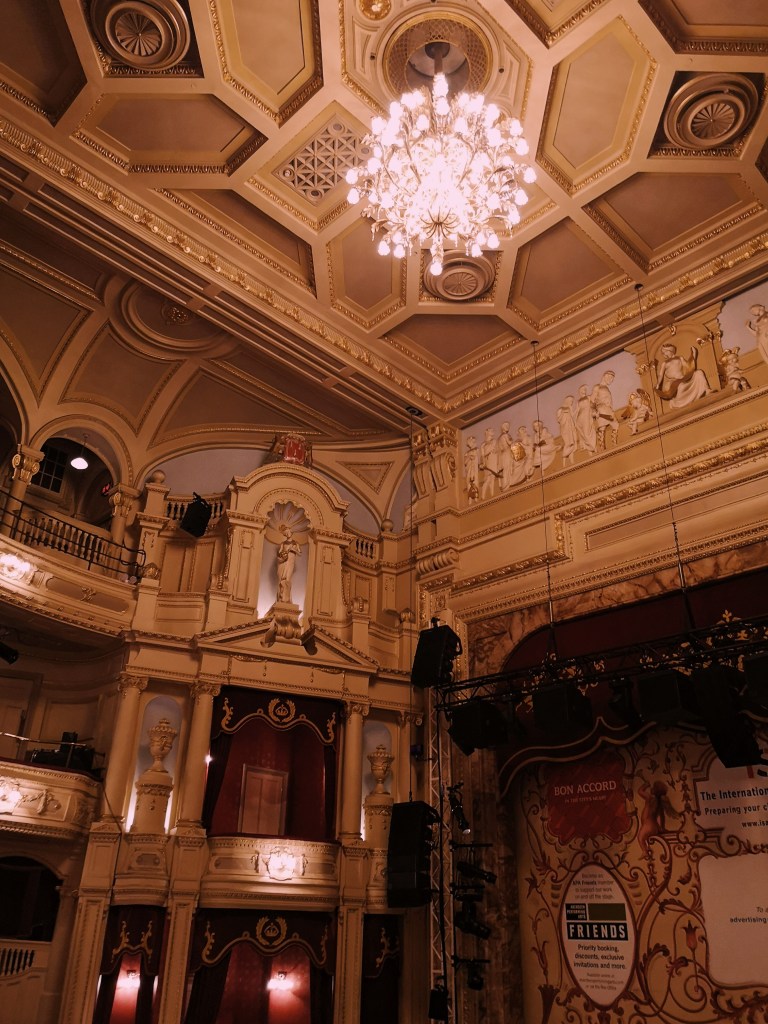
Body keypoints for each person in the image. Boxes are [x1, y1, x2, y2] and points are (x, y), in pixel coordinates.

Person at [654, 343, 710, 409]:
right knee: (681, 386)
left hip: (684, 378)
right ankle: (680, 403)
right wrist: (658, 384)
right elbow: (661, 375)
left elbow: (688, 366)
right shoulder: (665, 363)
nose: (664, 354)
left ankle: (707, 390)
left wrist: (693, 355)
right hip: (675, 382)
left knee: (699, 372)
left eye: (665, 352)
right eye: (663, 353)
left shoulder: (679, 358)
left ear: (671, 351)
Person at [590, 371, 619, 449]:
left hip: (608, 410)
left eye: (612, 379)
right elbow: (592, 400)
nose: (611, 380)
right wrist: (593, 410)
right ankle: (603, 447)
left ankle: (614, 443)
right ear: (605, 376)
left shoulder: (606, 388)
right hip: (601, 409)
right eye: (610, 378)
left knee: (615, 424)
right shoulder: (597, 387)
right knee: (603, 427)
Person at [276, 524, 301, 603]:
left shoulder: (295, 543)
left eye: (288, 532)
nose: (287, 534)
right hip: (283, 562)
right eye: (286, 533)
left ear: (291, 532)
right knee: (282, 580)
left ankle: (286, 599)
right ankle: (281, 598)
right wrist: (283, 555)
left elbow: (299, 553)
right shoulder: (282, 543)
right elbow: (279, 554)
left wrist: (293, 550)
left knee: (287, 580)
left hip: (290, 563)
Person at [574, 383, 596, 453]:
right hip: (580, 417)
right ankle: (587, 445)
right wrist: (573, 418)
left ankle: (591, 446)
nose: (584, 391)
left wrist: (594, 411)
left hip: (587, 416)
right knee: (582, 432)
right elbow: (577, 410)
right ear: (580, 391)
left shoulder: (588, 397)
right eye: (583, 389)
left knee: (586, 433)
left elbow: (593, 405)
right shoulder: (578, 401)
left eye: (585, 389)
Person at [556, 396, 577, 465]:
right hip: (564, 428)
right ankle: (564, 462)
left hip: (570, 427)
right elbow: (558, 419)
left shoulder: (569, 408)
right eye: (571, 401)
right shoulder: (560, 409)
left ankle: (572, 461)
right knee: (567, 444)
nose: (571, 403)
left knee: (572, 443)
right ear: (567, 401)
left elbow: (572, 415)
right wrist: (563, 413)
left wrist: (577, 409)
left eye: (572, 401)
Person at [464, 435, 479, 503]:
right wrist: (469, 457)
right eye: (471, 442)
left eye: (473, 441)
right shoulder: (466, 453)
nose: (473, 443)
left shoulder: (476, 450)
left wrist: (472, 457)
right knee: (469, 484)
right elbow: (465, 462)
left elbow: (477, 459)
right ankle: (470, 499)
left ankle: (476, 497)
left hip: (474, 469)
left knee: (475, 482)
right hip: (469, 470)